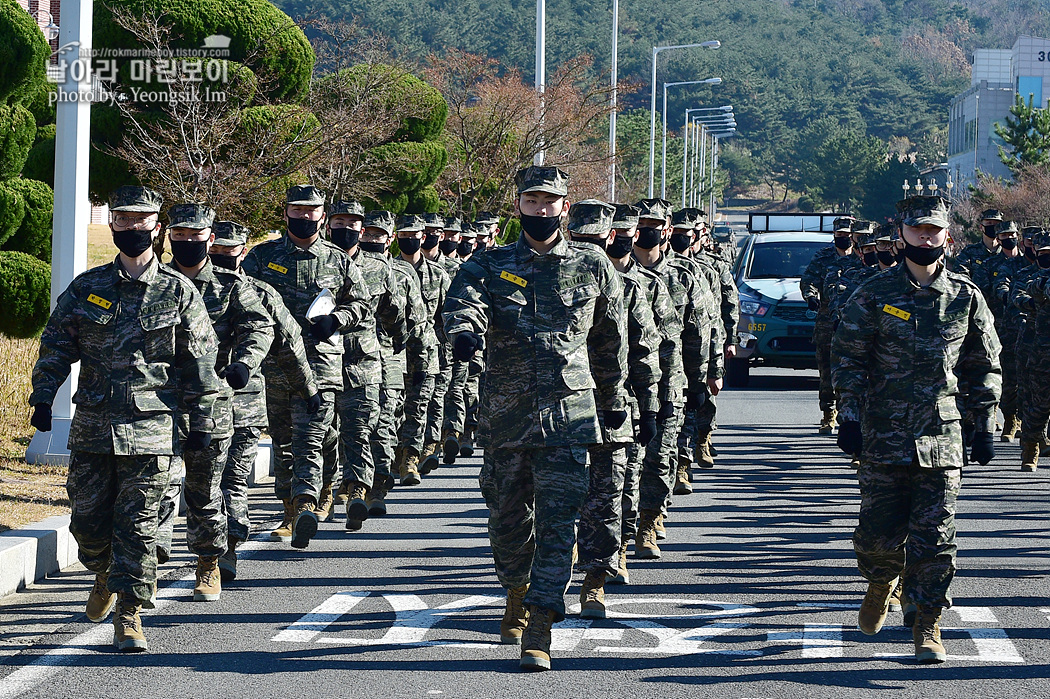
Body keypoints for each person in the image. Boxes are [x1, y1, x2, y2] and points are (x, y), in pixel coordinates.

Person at [444, 166, 628, 672]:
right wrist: (464, 333)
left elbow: (610, 338)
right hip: (506, 418)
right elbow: (464, 305)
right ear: (518, 205)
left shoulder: (592, 266)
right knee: (506, 521)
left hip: (569, 417)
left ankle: (541, 624)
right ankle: (516, 590)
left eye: (551, 202)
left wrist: (614, 400)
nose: (542, 210)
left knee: (558, 524)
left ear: (565, 207)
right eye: (532, 200)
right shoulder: (489, 264)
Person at [28, 185, 222, 652]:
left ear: (156, 227)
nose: (132, 227)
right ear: (112, 223)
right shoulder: (89, 287)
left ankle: (130, 613)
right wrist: (42, 394)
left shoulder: (179, 292)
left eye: (141, 220)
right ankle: (102, 573)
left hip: (153, 430)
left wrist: (201, 424)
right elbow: (57, 343)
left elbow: (200, 362)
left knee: (137, 526)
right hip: (94, 424)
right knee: (88, 523)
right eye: (123, 218)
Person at [832, 194, 1001, 664]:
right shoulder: (873, 293)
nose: (926, 237)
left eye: (934, 230)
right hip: (882, 432)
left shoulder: (966, 296)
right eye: (917, 230)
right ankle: (882, 578)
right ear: (902, 234)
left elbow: (984, 365)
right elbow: (848, 358)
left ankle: (927, 622)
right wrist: (848, 415)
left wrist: (984, 422)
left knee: (936, 538)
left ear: (947, 235)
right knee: (876, 537)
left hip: (941, 435)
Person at [241, 185, 372, 549]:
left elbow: (361, 303)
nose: (304, 217)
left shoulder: (338, 259)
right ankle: (291, 506)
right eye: (296, 210)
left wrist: (339, 319)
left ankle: (305, 504)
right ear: (285, 214)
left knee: (310, 438)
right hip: (274, 365)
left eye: (311, 211)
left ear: (322, 215)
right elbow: (244, 300)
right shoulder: (261, 257)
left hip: (322, 364)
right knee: (284, 441)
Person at [163, 204, 273, 601]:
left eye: (197, 235)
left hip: (211, 405)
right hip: (156, 404)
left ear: (210, 239)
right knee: (156, 487)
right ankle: (141, 566)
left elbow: (260, 327)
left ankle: (210, 560)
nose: (188, 241)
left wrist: (245, 362)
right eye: (181, 234)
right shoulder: (154, 282)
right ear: (169, 236)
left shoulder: (232, 286)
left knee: (206, 490)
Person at [567, 199, 662, 617]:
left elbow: (644, 349)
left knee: (608, 495)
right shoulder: (548, 277)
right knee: (556, 495)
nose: (591, 249)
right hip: (558, 407)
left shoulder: (630, 288)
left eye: (597, 241)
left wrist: (650, 405)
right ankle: (548, 575)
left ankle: (596, 579)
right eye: (582, 240)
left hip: (613, 407)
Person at [207, 221, 318, 569]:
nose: (223, 258)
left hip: (244, 404)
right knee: (202, 481)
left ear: (243, 251)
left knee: (233, 478)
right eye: (216, 253)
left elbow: (290, 343)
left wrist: (307, 387)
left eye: (230, 252)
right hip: (190, 404)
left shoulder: (259, 293)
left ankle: (227, 548)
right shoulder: (183, 291)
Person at [327, 202, 409, 529]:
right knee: (322, 434)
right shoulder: (310, 262)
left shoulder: (379, 268)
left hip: (364, 362)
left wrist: (395, 342)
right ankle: (320, 495)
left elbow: (397, 312)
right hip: (315, 362)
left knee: (361, 429)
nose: (345, 228)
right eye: (339, 222)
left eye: (353, 223)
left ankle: (359, 490)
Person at [801, 216, 859, 434]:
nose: (843, 238)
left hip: (853, 323)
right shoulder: (823, 257)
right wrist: (811, 296)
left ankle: (852, 416)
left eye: (847, 234)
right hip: (826, 321)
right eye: (839, 235)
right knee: (826, 370)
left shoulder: (861, 258)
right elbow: (809, 279)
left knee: (851, 370)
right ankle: (828, 413)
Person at [1018, 230, 1050, 470]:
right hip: (1043, 354)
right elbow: (1033, 290)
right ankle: (1031, 447)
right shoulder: (1041, 280)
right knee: (1039, 405)